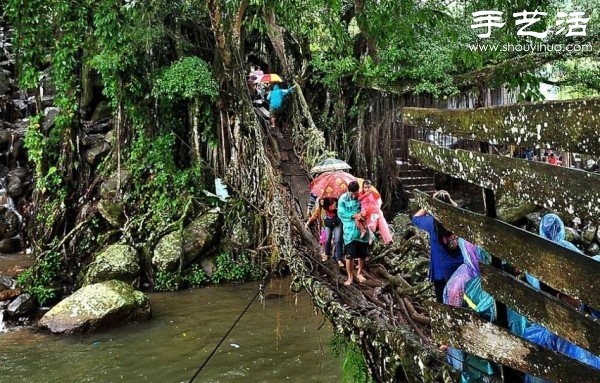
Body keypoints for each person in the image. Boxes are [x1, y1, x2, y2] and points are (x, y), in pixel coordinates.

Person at [412, 190, 464, 302]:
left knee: (442, 301)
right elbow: (457, 208)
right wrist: (449, 201)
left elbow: (415, 218)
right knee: (460, 299)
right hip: (460, 266)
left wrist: (428, 205)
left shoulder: (431, 222)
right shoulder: (457, 220)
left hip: (441, 270)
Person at [338, 181, 369, 286]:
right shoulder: (343, 199)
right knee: (349, 256)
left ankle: (359, 273)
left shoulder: (361, 197)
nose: (354, 196)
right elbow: (341, 213)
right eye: (352, 194)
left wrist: (362, 214)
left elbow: (367, 208)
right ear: (348, 191)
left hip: (362, 230)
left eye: (356, 193)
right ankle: (350, 277)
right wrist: (353, 215)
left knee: (362, 254)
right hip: (349, 231)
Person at [305, 197, 344, 266]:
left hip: (337, 222)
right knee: (327, 239)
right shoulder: (321, 208)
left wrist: (335, 206)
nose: (322, 202)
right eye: (321, 201)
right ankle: (326, 254)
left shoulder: (334, 201)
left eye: (323, 200)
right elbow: (315, 214)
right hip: (327, 224)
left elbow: (341, 211)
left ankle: (339, 259)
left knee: (338, 240)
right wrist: (308, 222)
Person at [358, 180, 393, 245]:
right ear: (363, 187)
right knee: (372, 227)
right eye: (365, 187)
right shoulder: (361, 193)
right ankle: (371, 239)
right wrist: (365, 195)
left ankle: (388, 240)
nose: (367, 189)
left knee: (383, 224)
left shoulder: (373, 193)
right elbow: (359, 200)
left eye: (368, 187)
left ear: (370, 187)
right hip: (366, 212)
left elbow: (379, 201)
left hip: (375, 211)